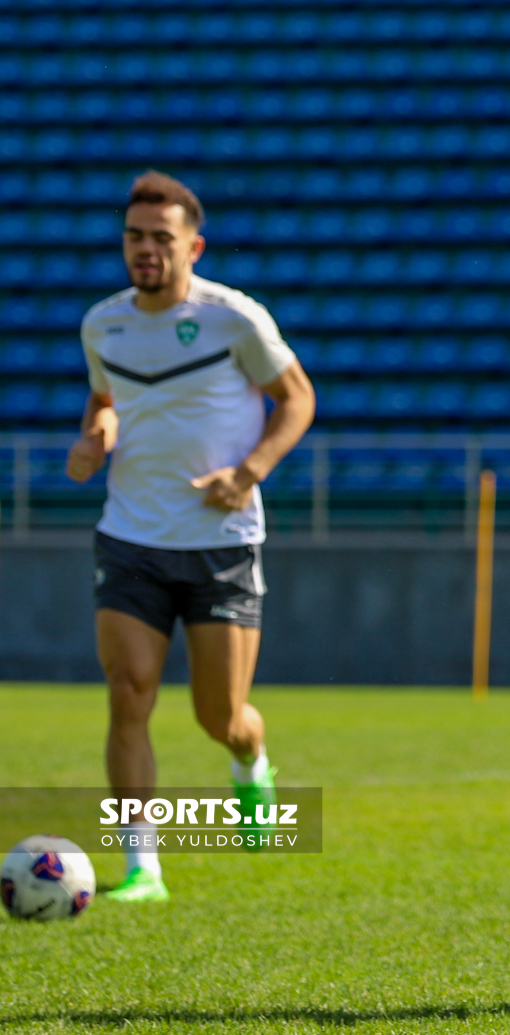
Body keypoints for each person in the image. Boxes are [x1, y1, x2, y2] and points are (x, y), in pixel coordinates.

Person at [65, 170, 316, 902]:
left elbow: (297, 398)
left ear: (194, 245)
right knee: (128, 692)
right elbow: (106, 397)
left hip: (222, 542)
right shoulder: (102, 323)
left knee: (220, 716)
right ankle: (144, 868)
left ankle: (252, 760)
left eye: (161, 237)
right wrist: (94, 437)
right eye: (134, 236)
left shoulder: (235, 319)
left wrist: (251, 470)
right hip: (131, 538)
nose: (145, 249)